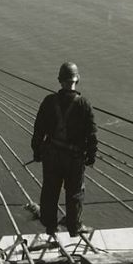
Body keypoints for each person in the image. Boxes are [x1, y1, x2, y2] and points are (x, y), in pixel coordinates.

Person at [31, 62, 98, 237]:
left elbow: (38, 130)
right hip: (74, 159)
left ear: (60, 80)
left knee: (50, 190)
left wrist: (37, 152)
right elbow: (91, 134)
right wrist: (91, 156)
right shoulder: (84, 105)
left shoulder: (48, 102)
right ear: (78, 79)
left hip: (52, 156)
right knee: (75, 193)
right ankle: (74, 228)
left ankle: (50, 227)